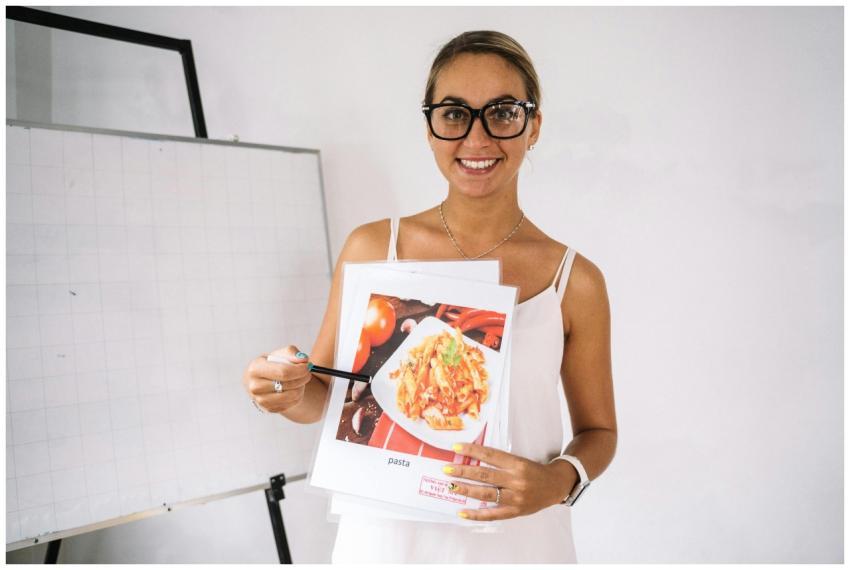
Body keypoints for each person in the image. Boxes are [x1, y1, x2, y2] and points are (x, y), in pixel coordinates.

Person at [242, 30, 617, 563]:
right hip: (387, 542)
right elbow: (321, 397)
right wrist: (280, 385)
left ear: (533, 126)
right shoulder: (373, 247)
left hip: (520, 546)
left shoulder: (573, 280)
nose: (477, 139)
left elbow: (599, 431)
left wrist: (558, 481)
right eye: (454, 113)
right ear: (429, 126)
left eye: (503, 113)